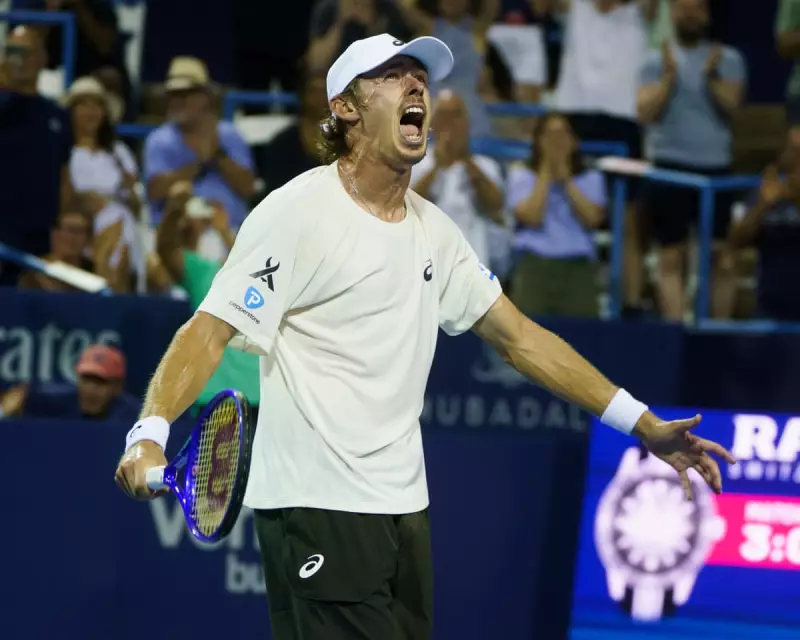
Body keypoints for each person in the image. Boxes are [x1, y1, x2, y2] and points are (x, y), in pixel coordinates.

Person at [115, 33, 735, 640]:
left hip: (403, 510)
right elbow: (209, 329)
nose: (416, 85)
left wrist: (641, 423)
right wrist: (149, 433)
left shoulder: (435, 232)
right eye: (390, 76)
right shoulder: (294, 212)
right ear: (345, 108)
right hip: (318, 507)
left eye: (421, 76)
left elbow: (521, 339)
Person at [637, 0, 746, 321]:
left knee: (721, 258)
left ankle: (715, 333)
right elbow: (645, 112)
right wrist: (669, 79)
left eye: (696, 8)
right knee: (670, 258)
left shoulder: (729, 59)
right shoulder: (653, 62)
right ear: (671, 15)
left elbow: (733, 108)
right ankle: (677, 330)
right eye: (683, 7)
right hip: (669, 169)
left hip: (715, 172)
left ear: (707, 15)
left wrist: (711, 77)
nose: (690, 14)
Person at [155, 181, 259, 416]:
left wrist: (224, 231)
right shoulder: (203, 271)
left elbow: (254, 266)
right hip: (212, 398)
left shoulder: (270, 279)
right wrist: (173, 210)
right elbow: (165, 248)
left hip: (261, 398)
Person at [506, 112, 605, 317]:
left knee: (583, 339)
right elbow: (531, 217)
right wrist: (546, 174)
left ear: (575, 141)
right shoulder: (521, 174)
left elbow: (593, 218)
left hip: (578, 267)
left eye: (562, 135)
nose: (556, 142)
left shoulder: (591, 177)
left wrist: (566, 180)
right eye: (549, 136)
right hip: (534, 263)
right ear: (537, 141)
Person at [143, 56, 257, 229]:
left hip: (229, 231)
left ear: (205, 97)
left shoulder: (229, 134)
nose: (178, 101)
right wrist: (198, 163)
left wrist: (218, 155)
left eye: (186, 94)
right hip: (178, 236)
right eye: (173, 95)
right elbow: (154, 191)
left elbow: (248, 187)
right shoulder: (159, 140)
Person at [0, 26, 73, 286]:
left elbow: (63, 175)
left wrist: (60, 228)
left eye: (26, 52)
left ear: (43, 59)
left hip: (39, 241)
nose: (19, 60)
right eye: (12, 52)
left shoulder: (58, 116)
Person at [64, 76, 145, 291]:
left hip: (123, 222)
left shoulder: (118, 153)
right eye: (83, 104)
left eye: (97, 104)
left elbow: (137, 204)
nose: (90, 111)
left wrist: (128, 192)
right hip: (81, 227)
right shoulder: (64, 151)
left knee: (119, 224)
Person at [411, 90, 506, 272]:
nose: (450, 124)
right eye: (443, 117)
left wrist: (466, 161)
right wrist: (437, 167)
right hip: (428, 267)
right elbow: (406, 208)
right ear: (432, 123)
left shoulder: (485, 166)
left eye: (456, 116)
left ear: (467, 123)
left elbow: (496, 206)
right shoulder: (416, 164)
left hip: (474, 266)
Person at [727, 128, 800, 321]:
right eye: (794, 151)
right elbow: (736, 240)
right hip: (769, 311)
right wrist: (762, 206)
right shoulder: (766, 189)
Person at [0, 344, 141, 422]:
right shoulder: (56, 400)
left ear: (117, 387)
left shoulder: (137, 417)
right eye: (86, 379)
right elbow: (18, 397)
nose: (91, 389)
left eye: (100, 382)